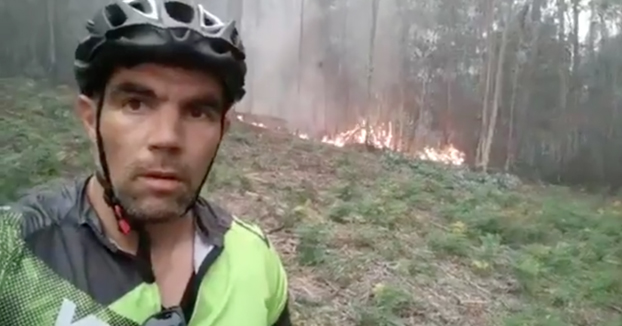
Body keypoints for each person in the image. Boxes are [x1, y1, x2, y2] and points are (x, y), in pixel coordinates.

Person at [0, 0, 292, 325]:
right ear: (89, 118)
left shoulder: (255, 260)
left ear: (222, 131)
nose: (167, 138)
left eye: (197, 112)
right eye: (136, 104)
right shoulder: (14, 251)